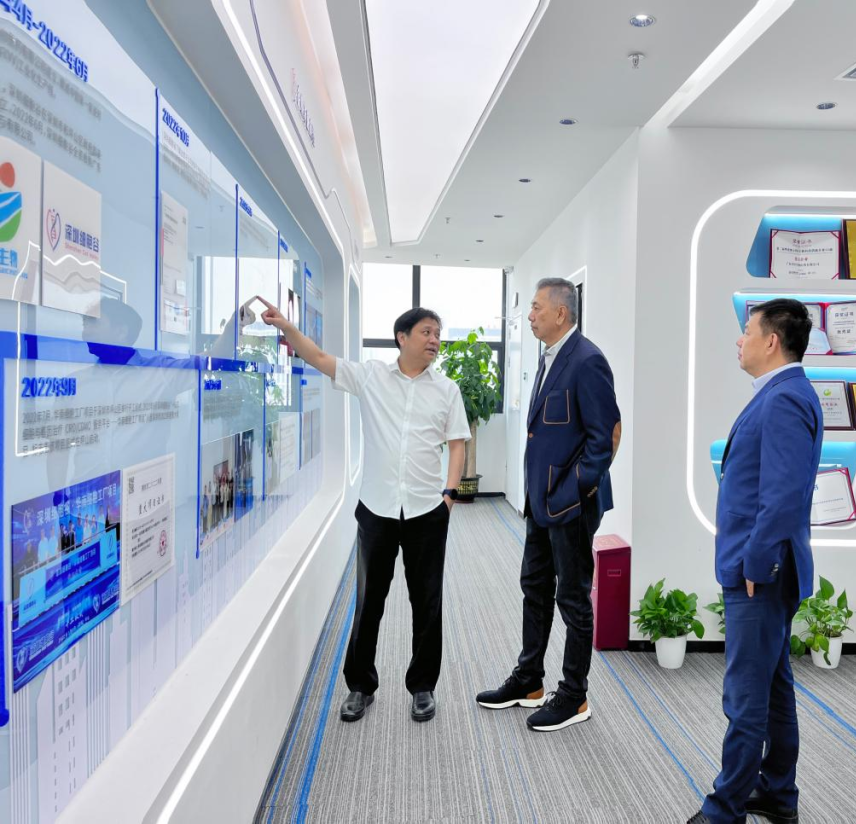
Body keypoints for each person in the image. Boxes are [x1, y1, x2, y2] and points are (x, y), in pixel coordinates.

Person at [259, 297, 469, 724]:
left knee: (427, 602)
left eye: (438, 334)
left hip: (427, 511)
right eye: (426, 332)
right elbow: (319, 358)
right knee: (369, 601)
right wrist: (286, 327)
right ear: (402, 337)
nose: (434, 340)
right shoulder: (371, 376)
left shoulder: (447, 390)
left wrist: (448, 495)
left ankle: (423, 687)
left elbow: (457, 444)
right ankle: (360, 686)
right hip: (377, 509)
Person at [688, 298, 823, 824]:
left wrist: (756, 564)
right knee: (773, 689)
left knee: (745, 696)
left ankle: (724, 809)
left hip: (760, 573)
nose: (739, 341)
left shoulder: (785, 399)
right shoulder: (781, 393)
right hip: (763, 568)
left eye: (746, 331)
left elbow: (783, 496)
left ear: (771, 341)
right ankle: (777, 793)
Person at [476, 278, 621, 732]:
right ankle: (529, 680)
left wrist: (573, 491)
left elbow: (607, 437)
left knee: (572, 597)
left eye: (537, 307)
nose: (530, 315)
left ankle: (574, 695)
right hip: (541, 501)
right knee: (534, 586)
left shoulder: (587, 360)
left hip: (569, 503)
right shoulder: (549, 357)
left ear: (561, 313)